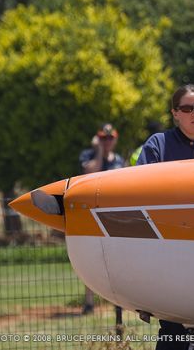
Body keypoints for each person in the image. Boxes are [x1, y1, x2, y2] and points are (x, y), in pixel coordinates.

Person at [136, 84, 194, 350]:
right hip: (169, 252)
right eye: (187, 108)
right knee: (173, 329)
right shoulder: (158, 145)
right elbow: (141, 190)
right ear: (175, 113)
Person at [79, 122, 125, 315]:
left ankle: (119, 302)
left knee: (117, 259)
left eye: (110, 138)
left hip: (113, 215)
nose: (107, 141)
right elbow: (91, 172)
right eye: (103, 138)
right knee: (91, 259)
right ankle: (89, 302)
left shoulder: (120, 160)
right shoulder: (88, 156)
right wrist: (98, 151)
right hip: (92, 214)